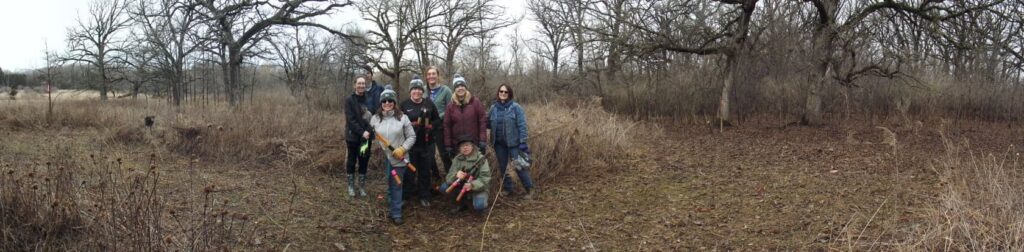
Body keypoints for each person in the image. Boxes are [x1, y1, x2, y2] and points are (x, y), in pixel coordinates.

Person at [370, 89, 416, 225]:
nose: (387, 103)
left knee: (396, 185)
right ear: (381, 103)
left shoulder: (402, 117)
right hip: (386, 157)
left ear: (394, 102)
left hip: (399, 158)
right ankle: (393, 205)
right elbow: (369, 132)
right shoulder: (375, 118)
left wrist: (403, 149)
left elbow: (412, 136)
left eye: (390, 100)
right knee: (390, 183)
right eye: (384, 101)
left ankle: (396, 213)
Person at [399, 75, 441, 207]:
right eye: (414, 89)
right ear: (410, 91)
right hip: (410, 145)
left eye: (419, 89)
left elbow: (438, 120)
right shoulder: (404, 105)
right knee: (409, 171)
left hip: (426, 144)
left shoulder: (428, 103)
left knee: (425, 170)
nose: (416, 92)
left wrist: (431, 127)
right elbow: (398, 123)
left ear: (423, 91)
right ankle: (406, 196)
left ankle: (424, 196)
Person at [487, 84, 535, 199]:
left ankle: (530, 189)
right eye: (501, 91)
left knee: (519, 166)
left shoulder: (515, 107)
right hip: (499, 144)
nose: (503, 93)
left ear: (510, 94)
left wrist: (523, 142)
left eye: (506, 92)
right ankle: (508, 188)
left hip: (514, 144)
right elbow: (488, 123)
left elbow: (522, 125)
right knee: (503, 167)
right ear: (498, 93)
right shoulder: (493, 108)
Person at [440, 137, 493, 213]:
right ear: (459, 149)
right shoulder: (457, 159)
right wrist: (456, 175)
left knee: (479, 206)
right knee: (444, 188)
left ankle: (475, 203)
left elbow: (485, 178)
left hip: (478, 187)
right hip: (461, 186)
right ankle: (460, 204)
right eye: (462, 146)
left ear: (472, 146)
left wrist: (472, 185)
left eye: (467, 145)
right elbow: (448, 178)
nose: (465, 147)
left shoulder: (481, 159)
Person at [443, 73, 487, 159]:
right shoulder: (450, 106)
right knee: (461, 170)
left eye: (462, 86)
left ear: (465, 87)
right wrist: (448, 145)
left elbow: (482, 121)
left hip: (474, 143)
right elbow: (447, 126)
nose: (460, 88)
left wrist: (482, 140)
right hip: (458, 145)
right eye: (457, 86)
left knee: (475, 169)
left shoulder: (475, 102)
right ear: (454, 89)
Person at [343, 77, 373, 198]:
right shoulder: (349, 100)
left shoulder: (369, 99)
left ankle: (361, 187)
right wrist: (361, 132)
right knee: (351, 161)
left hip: (366, 139)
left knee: (363, 160)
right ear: (354, 85)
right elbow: (351, 120)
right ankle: (350, 186)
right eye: (359, 83)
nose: (361, 85)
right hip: (353, 137)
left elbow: (374, 117)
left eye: (363, 83)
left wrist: (368, 131)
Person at [426, 66, 454, 172]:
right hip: (427, 127)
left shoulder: (445, 90)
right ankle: (435, 176)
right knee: (429, 155)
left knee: (444, 154)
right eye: (429, 74)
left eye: (433, 74)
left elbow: (451, 108)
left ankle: (450, 176)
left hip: (441, 127)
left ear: (438, 76)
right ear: (426, 77)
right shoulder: (424, 90)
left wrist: (438, 117)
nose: (431, 76)